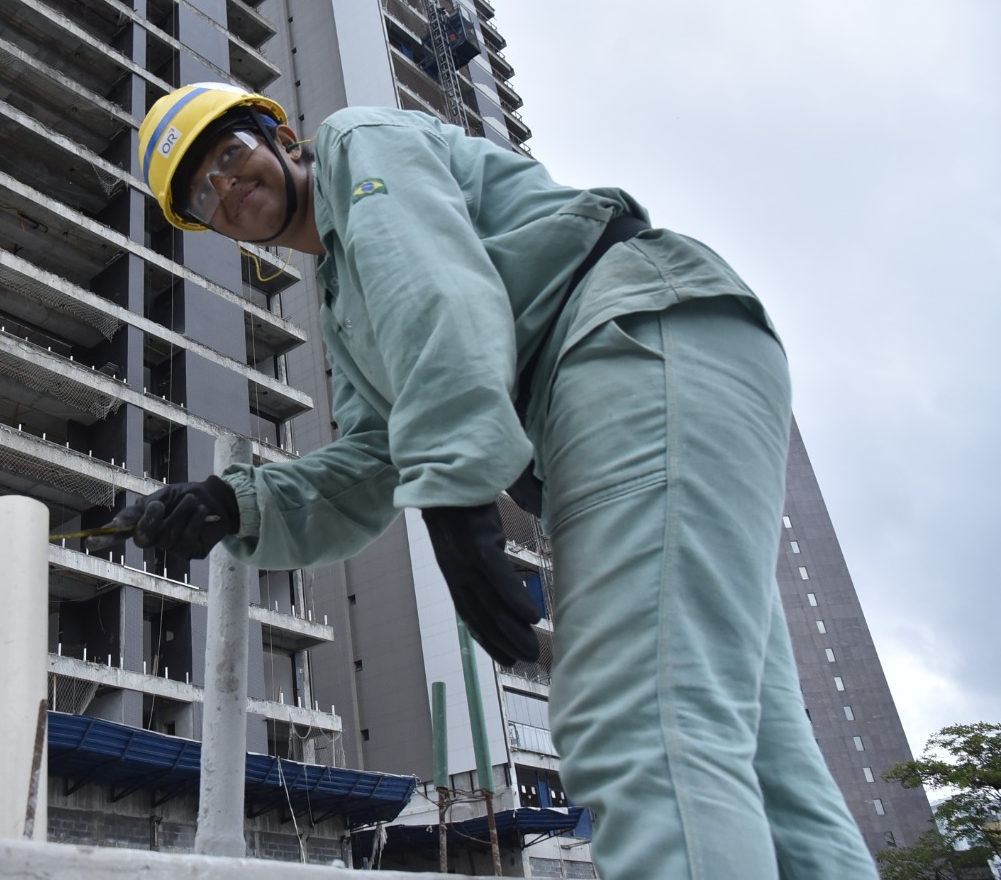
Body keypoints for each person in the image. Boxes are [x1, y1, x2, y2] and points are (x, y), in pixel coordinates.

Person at [113, 83, 878, 879]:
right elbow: (379, 452)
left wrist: (454, 487)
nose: (228, 187)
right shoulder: (344, 305)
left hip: (629, 341)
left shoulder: (355, 144)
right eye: (202, 192)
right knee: (765, 762)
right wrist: (232, 502)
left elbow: (435, 287)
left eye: (230, 155)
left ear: (281, 135)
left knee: (639, 722)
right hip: (661, 360)